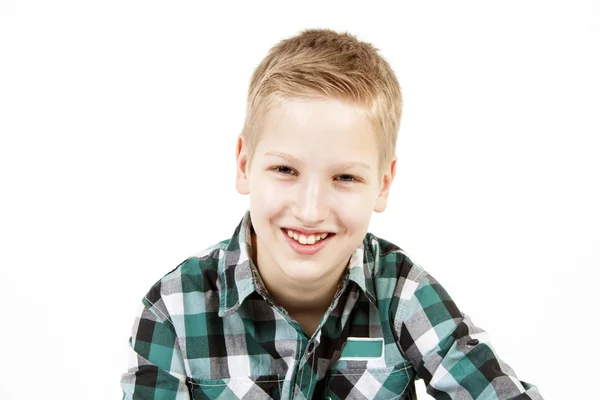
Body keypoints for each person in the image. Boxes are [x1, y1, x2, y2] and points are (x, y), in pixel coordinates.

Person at [121, 29, 543, 399]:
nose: (310, 210)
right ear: (244, 164)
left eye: (344, 177)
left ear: (383, 183)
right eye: (285, 170)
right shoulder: (173, 310)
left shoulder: (404, 297)